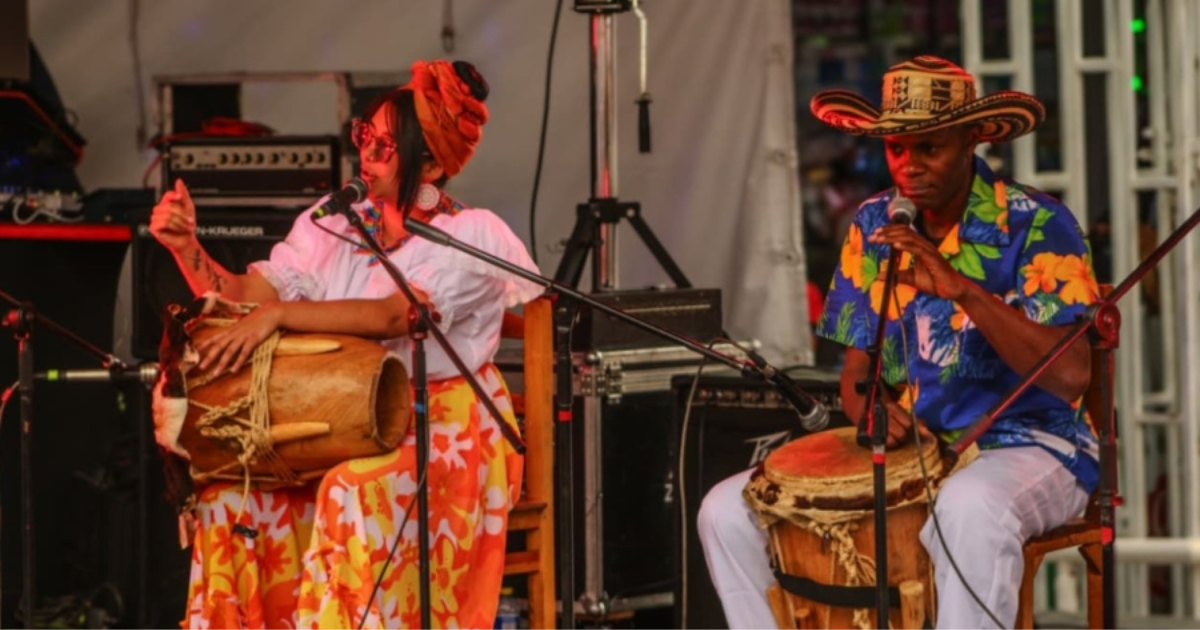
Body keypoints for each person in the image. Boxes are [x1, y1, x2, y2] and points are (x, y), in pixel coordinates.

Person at [698, 55, 1101, 629]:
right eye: (896, 148)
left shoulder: (1038, 222)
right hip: (918, 447)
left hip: (1032, 444)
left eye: (929, 147)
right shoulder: (873, 223)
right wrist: (871, 409)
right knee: (724, 511)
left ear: (971, 140)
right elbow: (857, 373)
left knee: (969, 509)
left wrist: (963, 290)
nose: (909, 166)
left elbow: (1070, 376)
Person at [149, 59, 543, 629]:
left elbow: (394, 315)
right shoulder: (334, 223)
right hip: (339, 412)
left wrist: (281, 316)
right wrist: (186, 248)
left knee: (347, 490)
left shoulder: (469, 234)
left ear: (431, 165)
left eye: (387, 145)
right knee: (229, 501)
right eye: (365, 135)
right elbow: (247, 297)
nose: (368, 153)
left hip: (444, 426)